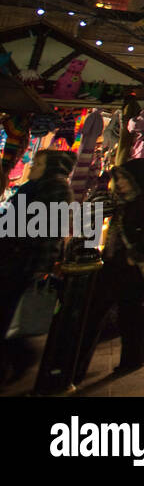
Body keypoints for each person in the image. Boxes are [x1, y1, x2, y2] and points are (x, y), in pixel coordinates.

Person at [74, 157, 144, 384]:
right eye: (119, 178)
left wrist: (135, 253)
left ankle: (135, 356)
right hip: (113, 262)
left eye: (124, 178)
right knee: (99, 309)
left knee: (132, 311)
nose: (121, 183)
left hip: (133, 266)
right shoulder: (121, 200)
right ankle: (77, 363)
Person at [0, 150, 73, 387]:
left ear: (51, 167)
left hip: (25, 261)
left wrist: (42, 267)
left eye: (38, 163)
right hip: (15, 257)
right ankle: (19, 357)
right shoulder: (34, 188)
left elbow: (49, 233)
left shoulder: (54, 190)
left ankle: (20, 358)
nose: (32, 167)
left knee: (8, 314)